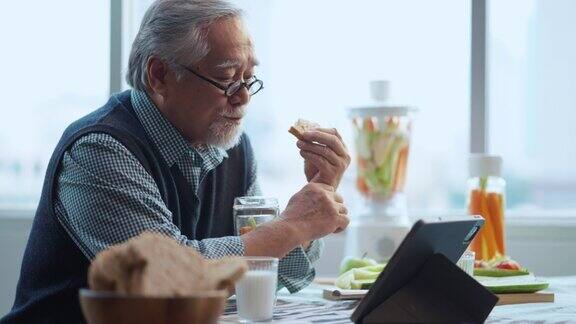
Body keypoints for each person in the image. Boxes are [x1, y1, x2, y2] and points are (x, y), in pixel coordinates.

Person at [2, 0, 350, 322]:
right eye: (227, 78)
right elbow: (169, 285)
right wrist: (291, 226)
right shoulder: (99, 150)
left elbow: (264, 274)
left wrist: (316, 199)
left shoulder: (234, 146)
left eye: (248, 78)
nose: (243, 97)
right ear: (160, 75)